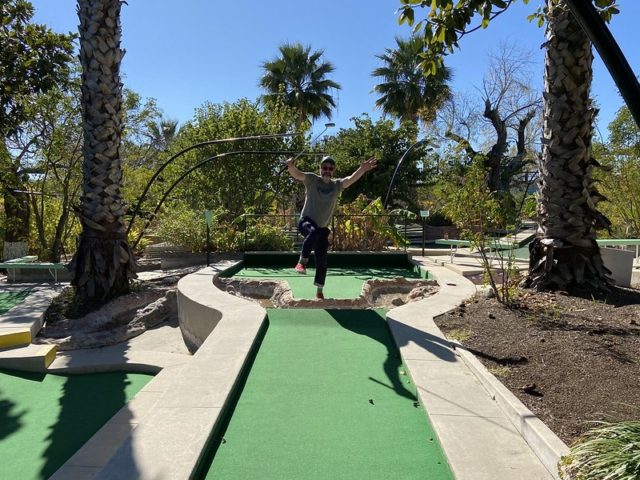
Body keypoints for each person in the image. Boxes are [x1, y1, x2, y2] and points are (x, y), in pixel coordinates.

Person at [285, 154, 378, 299]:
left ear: (333, 170)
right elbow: (297, 174)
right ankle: (302, 262)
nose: (327, 170)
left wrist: (362, 169)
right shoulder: (312, 180)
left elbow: (350, 179)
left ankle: (319, 291)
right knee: (313, 232)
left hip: (322, 229)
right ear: (320, 168)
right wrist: (291, 166)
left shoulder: (336, 185)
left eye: (330, 168)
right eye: (325, 168)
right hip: (306, 222)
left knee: (322, 260)